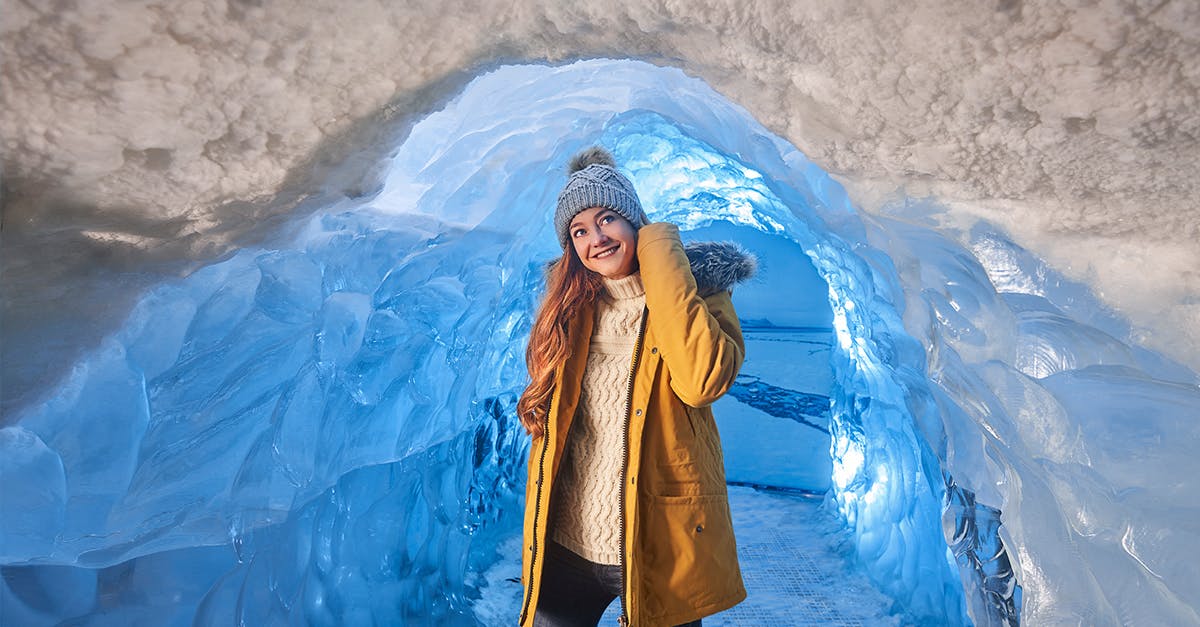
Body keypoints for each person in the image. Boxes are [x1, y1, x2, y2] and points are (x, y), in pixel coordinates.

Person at [516, 146, 755, 627]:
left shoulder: (703, 296)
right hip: (566, 542)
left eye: (607, 219)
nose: (596, 238)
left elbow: (701, 380)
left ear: (636, 223)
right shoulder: (569, 312)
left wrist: (660, 256)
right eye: (579, 231)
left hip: (657, 542)